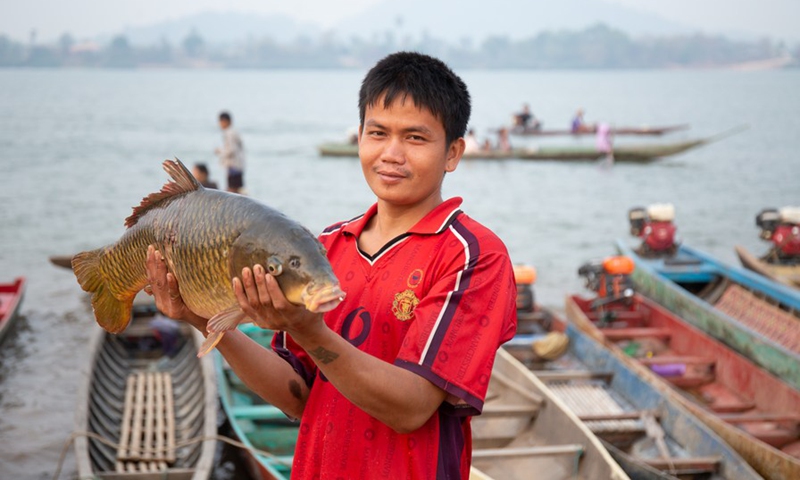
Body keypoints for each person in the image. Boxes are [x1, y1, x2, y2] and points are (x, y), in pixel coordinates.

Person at [145, 51, 518, 479]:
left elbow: (412, 407)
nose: (391, 153)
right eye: (378, 132)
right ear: (359, 137)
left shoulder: (472, 254)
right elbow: (298, 396)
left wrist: (308, 328)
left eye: (415, 138)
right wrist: (205, 318)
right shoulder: (324, 247)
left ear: (452, 153)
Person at [214, 111, 245, 193]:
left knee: (233, 189)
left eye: (221, 122)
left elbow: (231, 150)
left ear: (226, 121)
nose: (220, 124)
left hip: (233, 166)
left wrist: (219, 151)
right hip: (238, 164)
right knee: (236, 188)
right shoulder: (233, 132)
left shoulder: (229, 133)